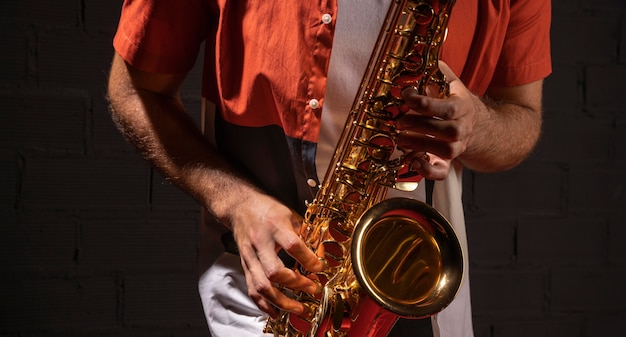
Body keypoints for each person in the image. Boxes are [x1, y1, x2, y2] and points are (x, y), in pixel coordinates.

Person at [106, 0, 551, 336]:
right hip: (265, 293)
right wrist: (237, 202)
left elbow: (522, 119)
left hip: (413, 289)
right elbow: (133, 91)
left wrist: (475, 125)